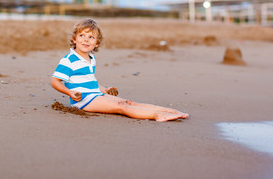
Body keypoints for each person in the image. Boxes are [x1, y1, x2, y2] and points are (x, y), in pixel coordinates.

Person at [51, 18, 189, 122]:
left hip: (94, 94)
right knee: (121, 106)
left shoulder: (90, 58)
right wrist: (69, 92)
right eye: (82, 36)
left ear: (96, 43)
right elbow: (54, 81)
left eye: (91, 37)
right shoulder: (69, 60)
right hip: (83, 100)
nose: (86, 40)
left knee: (128, 102)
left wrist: (104, 89)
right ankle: (157, 115)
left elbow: (89, 80)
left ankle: (167, 110)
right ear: (74, 39)